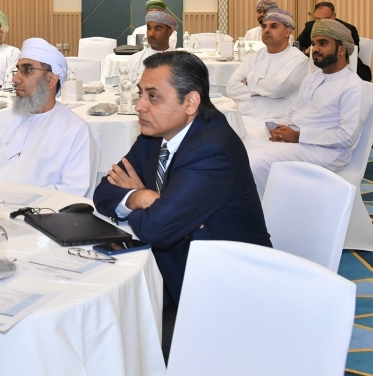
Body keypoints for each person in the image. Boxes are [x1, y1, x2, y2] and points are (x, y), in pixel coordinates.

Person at [93, 51, 271, 359]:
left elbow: (156, 229)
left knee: (119, 338)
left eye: (153, 96)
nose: (139, 106)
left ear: (190, 103)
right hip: (175, 267)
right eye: (140, 94)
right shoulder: (155, 133)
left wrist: (146, 202)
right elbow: (104, 191)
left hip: (220, 290)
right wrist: (142, 196)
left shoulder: (211, 149)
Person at [244, 19, 365, 196]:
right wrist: (278, 127)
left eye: (323, 43)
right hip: (300, 141)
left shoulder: (353, 86)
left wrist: (298, 136)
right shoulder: (313, 78)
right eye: (314, 43)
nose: (315, 49)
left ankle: (263, 211)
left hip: (327, 152)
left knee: (256, 161)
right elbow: (295, 113)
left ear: (341, 49)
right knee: (242, 147)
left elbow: (346, 137)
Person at [0, 39, 92, 195]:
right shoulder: (3, 119)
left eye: (27, 70)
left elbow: (72, 190)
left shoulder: (74, 130)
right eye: (17, 70)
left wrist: (15, 203)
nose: (15, 79)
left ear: (51, 80)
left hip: (37, 210)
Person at [226, 7, 310, 132]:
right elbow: (231, 88)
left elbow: (278, 88)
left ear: (288, 32)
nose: (266, 30)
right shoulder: (253, 57)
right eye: (264, 27)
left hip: (276, 122)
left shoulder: (298, 60)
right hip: (243, 117)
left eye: (273, 26)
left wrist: (249, 80)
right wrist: (264, 90)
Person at [296, 1, 370, 81]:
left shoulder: (348, 29)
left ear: (334, 16)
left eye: (325, 19)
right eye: (318, 19)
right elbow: (297, 45)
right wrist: (306, 51)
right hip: (316, 65)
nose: (321, 23)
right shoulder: (310, 26)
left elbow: (352, 53)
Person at [126, 9, 177, 79]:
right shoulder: (134, 60)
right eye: (149, 28)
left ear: (169, 32)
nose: (151, 34)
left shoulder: (178, 60)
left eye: (157, 29)